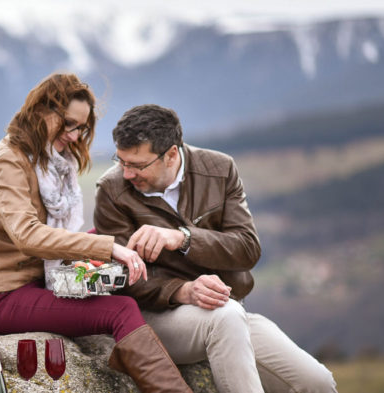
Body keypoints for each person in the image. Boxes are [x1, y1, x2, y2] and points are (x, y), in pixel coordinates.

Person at [0, 73, 192, 393]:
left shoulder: (50, 160)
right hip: (2, 295)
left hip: (42, 281)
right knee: (121, 308)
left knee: (119, 235)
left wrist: (115, 239)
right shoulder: (9, 161)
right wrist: (107, 247)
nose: (73, 136)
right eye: (68, 124)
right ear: (41, 110)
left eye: (81, 128)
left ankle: (187, 296)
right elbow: (27, 236)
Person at [94, 104, 337, 392]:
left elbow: (247, 248)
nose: (127, 173)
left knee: (318, 383)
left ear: (171, 154)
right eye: (121, 161)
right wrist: (182, 291)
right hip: (155, 317)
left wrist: (183, 238)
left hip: (227, 308)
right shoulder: (111, 190)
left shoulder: (220, 169)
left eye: (137, 165)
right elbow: (120, 278)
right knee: (226, 318)